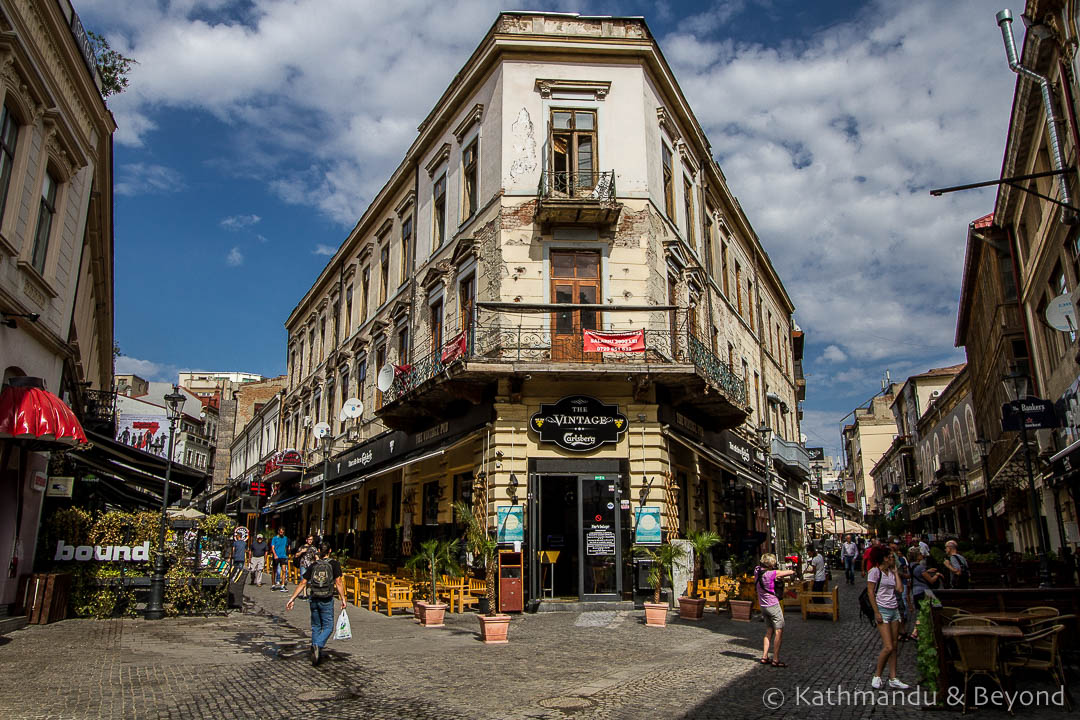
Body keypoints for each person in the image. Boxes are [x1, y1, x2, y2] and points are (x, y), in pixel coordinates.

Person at [286, 542, 346, 666]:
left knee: (316, 626)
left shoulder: (313, 565)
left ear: (319, 550)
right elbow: (338, 582)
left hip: (314, 598)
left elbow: (303, 583)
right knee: (328, 627)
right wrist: (343, 598)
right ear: (330, 551)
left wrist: (292, 598)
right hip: (326, 598)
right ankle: (317, 646)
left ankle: (315, 649)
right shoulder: (334, 564)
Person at [867, 545, 910, 689]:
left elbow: (899, 589)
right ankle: (877, 676)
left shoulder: (891, 572)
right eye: (891, 556)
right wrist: (876, 612)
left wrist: (896, 572)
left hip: (894, 610)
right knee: (888, 646)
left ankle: (893, 677)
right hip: (882, 610)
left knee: (895, 647)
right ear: (884, 558)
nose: (894, 558)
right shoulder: (874, 572)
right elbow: (870, 592)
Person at [755, 552, 797, 667]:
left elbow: (772, 573)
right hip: (773, 605)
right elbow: (786, 572)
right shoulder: (771, 574)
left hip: (763, 606)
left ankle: (764, 656)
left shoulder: (757, 571)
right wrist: (793, 571)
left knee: (769, 630)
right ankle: (776, 659)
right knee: (779, 631)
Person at [907, 547, 942, 641]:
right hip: (924, 591)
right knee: (933, 608)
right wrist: (937, 575)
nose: (922, 555)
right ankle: (918, 633)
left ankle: (916, 632)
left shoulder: (911, 566)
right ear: (917, 556)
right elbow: (931, 581)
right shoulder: (920, 567)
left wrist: (928, 571)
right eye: (920, 554)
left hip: (915, 592)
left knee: (922, 612)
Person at [294, 535, 317, 599]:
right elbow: (296, 555)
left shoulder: (314, 548)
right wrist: (301, 551)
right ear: (306, 540)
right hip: (303, 564)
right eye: (309, 539)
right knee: (303, 579)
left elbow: (316, 556)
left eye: (311, 539)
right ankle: (304, 594)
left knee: (310, 580)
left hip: (311, 565)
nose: (310, 541)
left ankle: (309, 592)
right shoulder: (302, 547)